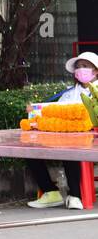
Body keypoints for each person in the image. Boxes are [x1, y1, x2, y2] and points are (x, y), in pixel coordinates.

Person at [25, 51, 98, 210]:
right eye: (78, 67)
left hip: (90, 139)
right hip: (68, 136)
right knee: (29, 150)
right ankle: (50, 192)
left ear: (96, 71)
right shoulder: (68, 94)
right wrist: (35, 111)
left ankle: (75, 195)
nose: (80, 70)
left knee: (69, 148)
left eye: (85, 66)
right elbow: (55, 112)